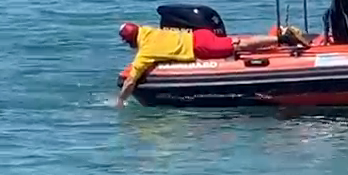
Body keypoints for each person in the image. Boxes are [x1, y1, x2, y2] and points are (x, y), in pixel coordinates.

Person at [115, 23, 309, 108]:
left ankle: (281, 38)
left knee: (239, 45)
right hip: (198, 35)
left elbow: (131, 80)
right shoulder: (147, 31)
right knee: (236, 45)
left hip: (201, 47)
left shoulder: (145, 53)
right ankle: (279, 36)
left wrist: (121, 101)